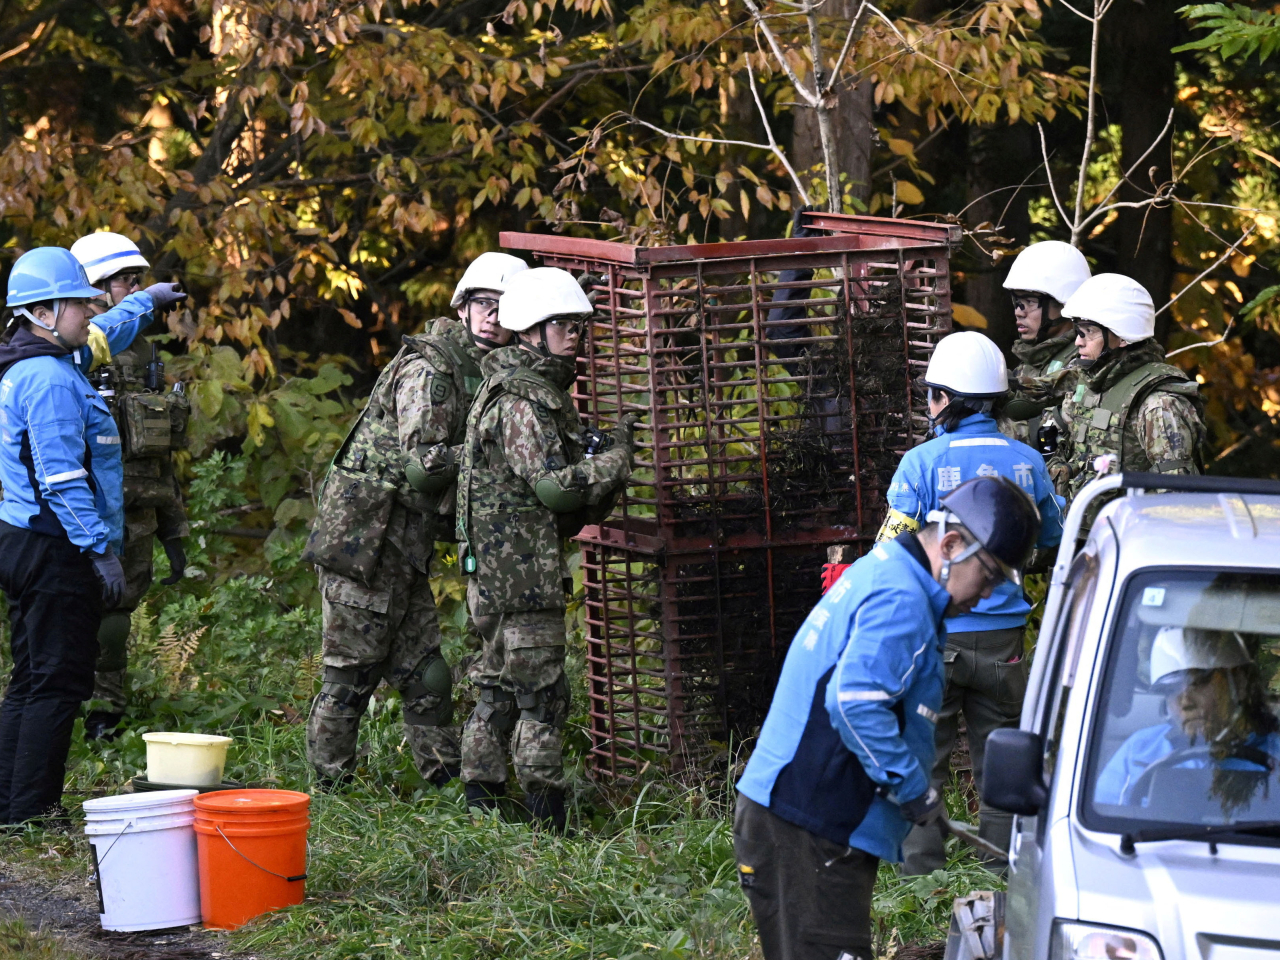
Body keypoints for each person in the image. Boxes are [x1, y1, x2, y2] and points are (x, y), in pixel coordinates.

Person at [734, 476, 1041, 960]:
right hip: (808, 825)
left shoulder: (888, 571)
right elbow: (855, 703)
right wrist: (913, 788)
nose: (986, 596)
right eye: (988, 577)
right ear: (953, 544)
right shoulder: (902, 598)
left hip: (804, 820)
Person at [302, 251, 530, 791]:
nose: (493, 317)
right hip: (368, 537)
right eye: (483, 304)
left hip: (404, 542)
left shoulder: (486, 370)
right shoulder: (434, 368)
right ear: (464, 306)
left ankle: (444, 783)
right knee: (351, 674)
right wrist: (489, 453)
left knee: (425, 673)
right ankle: (330, 791)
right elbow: (425, 467)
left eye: (504, 308)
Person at [0, 246, 183, 824]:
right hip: (54, 545)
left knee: (31, 677)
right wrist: (99, 550)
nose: (91, 308)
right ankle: (31, 809)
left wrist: (146, 306)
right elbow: (59, 477)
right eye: (79, 302)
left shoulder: (40, 359)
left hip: (26, 540)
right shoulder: (50, 380)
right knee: (58, 682)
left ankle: (10, 803)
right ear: (43, 312)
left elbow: (105, 327)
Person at [874, 331, 1063, 874]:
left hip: (938, 636)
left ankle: (921, 874)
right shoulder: (1028, 462)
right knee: (1002, 758)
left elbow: (891, 548)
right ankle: (1002, 868)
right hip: (1005, 639)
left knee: (923, 754)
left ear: (950, 399)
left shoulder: (920, 462)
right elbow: (1053, 537)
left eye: (933, 393)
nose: (929, 405)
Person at [456, 266, 636, 830]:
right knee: (539, 697)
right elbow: (553, 490)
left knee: (498, 685)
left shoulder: (513, 386)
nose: (574, 335)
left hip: (497, 568)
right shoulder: (525, 400)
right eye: (563, 325)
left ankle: (483, 809)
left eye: (578, 325)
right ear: (532, 330)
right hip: (520, 575)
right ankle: (547, 821)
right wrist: (614, 460)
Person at [70, 232, 191, 741]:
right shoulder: (79, 345)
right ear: (96, 286)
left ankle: (105, 714)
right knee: (80, 615)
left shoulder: (141, 352)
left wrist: (174, 529)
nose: (137, 289)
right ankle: (63, 707)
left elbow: (157, 447)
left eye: (140, 281)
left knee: (116, 617)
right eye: (127, 281)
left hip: (139, 507)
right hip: (84, 508)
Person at [1048, 273, 1205, 530]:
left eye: (1089, 332)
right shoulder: (1090, 385)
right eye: (1078, 331)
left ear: (1122, 338)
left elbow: (1176, 502)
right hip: (1081, 537)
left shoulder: (1159, 404)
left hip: (1130, 543)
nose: (1078, 341)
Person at [1095, 627, 1280, 807]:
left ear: (1239, 683)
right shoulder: (1139, 749)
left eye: (1197, 683)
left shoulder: (1275, 749)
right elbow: (1103, 821)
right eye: (1171, 690)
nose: (1185, 702)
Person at [1000, 241, 1092, 444]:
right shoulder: (1034, 358)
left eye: (1030, 302)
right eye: (1017, 301)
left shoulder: (1085, 356)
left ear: (1064, 304)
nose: (1018, 311)